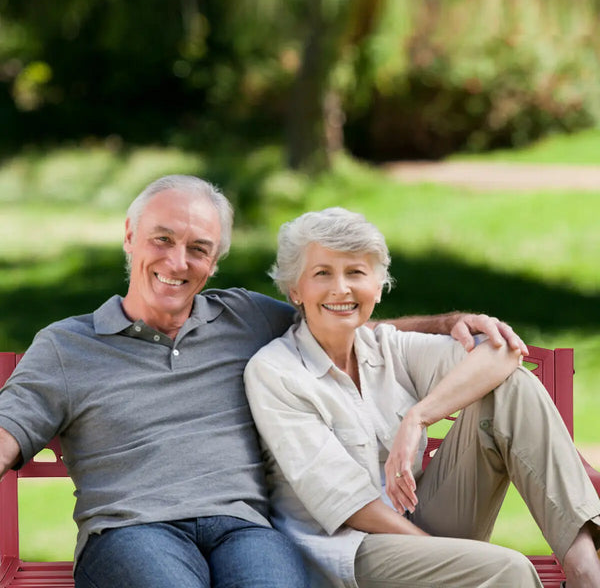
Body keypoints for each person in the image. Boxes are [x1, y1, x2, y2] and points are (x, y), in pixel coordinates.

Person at [0, 176, 525, 588]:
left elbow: (339, 316)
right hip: (132, 530)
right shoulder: (67, 346)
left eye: (199, 248)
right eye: (162, 239)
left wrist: (444, 323)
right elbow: (9, 430)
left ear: (215, 260)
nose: (178, 262)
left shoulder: (244, 318)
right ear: (130, 236)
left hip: (244, 529)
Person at [244, 207, 600, 588]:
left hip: (422, 518)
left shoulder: (386, 347)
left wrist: (419, 416)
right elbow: (350, 507)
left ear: (378, 287)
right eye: (322, 273)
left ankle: (584, 571)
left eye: (356, 273)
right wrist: (445, 558)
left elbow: (503, 353)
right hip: (351, 553)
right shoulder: (275, 373)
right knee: (507, 570)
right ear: (294, 290)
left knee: (509, 388)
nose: (341, 288)